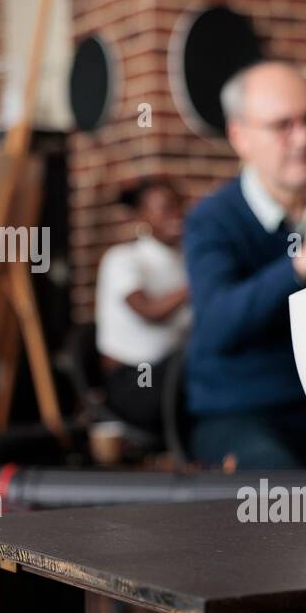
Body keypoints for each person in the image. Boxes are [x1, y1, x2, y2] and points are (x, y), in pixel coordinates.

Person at [183, 61, 306, 471]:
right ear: (240, 137)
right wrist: (303, 262)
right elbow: (218, 321)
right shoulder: (212, 220)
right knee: (281, 501)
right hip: (241, 414)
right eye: (282, 125)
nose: (304, 137)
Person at [94, 178, 190, 433]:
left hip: (176, 374)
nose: (177, 214)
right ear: (141, 217)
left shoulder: (186, 261)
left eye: (179, 206)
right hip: (136, 382)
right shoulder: (122, 260)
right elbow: (149, 312)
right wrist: (198, 284)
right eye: (165, 208)